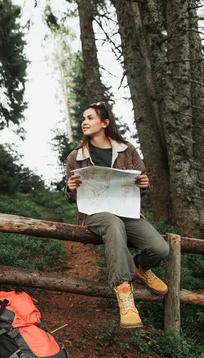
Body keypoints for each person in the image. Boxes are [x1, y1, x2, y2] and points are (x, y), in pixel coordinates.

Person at [64, 102, 169, 328]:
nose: (85, 122)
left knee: (161, 248)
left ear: (105, 123)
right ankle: (124, 293)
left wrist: (143, 183)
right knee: (112, 223)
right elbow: (72, 197)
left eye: (90, 118)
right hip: (95, 214)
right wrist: (70, 188)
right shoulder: (76, 156)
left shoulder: (127, 149)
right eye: (83, 118)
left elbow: (142, 182)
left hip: (128, 212)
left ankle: (141, 267)